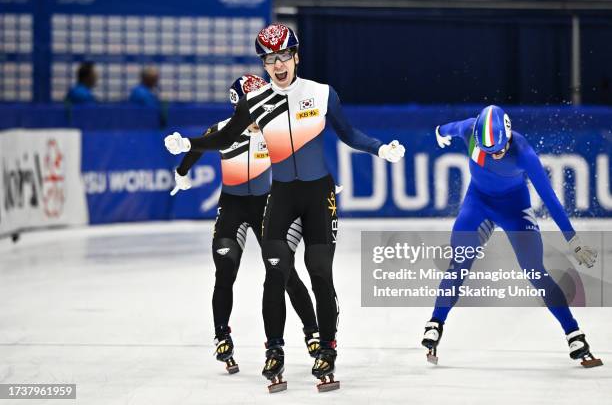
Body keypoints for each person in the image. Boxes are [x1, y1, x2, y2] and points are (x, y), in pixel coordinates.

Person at [164, 24, 405, 390]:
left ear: (297, 57)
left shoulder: (322, 94)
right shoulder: (255, 102)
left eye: (283, 57)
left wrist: (380, 148)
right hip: (281, 197)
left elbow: (350, 134)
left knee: (319, 271)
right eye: (270, 59)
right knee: (275, 273)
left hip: (317, 196)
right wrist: (189, 144)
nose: (278, 65)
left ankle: (327, 348)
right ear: (264, 63)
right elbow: (227, 136)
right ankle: (274, 349)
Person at [421, 105, 601, 368]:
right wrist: (440, 132)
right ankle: (436, 321)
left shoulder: (523, 151)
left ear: (508, 136)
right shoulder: (470, 129)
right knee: (459, 262)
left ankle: (573, 333)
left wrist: (571, 239)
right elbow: (450, 128)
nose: (495, 155)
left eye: (500, 150)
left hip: (514, 208)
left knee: (534, 270)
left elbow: (550, 198)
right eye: (489, 151)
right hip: (478, 204)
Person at [172, 74, 320, 375]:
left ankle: (312, 332)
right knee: (225, 269)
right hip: (233, 208)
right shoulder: (221, 131)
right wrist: (181, 173)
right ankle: (222, 335)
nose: (257, 117)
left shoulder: (276, 130)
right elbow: (196, 150)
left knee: (285, 273)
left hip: (267, 208)